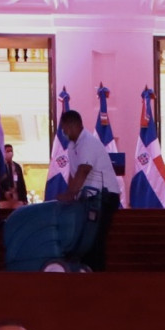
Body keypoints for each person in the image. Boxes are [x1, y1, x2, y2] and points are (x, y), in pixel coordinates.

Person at [57, 108, 118, 271]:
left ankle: (96, 277)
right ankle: (86, 272)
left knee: (95, 239)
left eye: (64, 128)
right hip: (90, 198)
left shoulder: (88, 142)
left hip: (105, 196)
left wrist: (70, 195)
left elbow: (84, 169)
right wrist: (70, 194)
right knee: (85, 238)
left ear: (72, 125)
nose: (63, 132)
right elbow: (74, 175)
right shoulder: (72, 146)